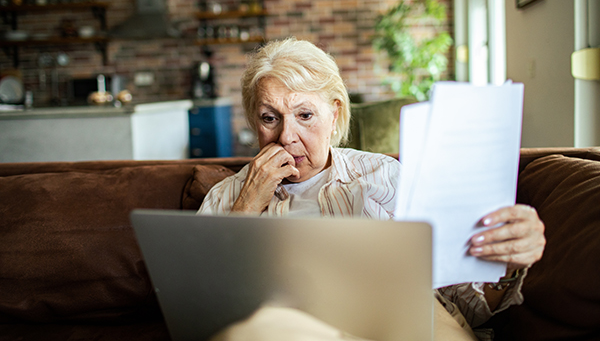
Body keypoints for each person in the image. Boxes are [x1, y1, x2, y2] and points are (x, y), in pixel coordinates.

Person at [198, 37, 546, 340]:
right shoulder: (227, 196)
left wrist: (506, 268)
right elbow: (201, 310)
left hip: (401, 315)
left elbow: (469, 306)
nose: (287, 137)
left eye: (305, 115)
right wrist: (246, 206)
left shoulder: (386, 176)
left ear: (334, 115)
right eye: (270, 118)